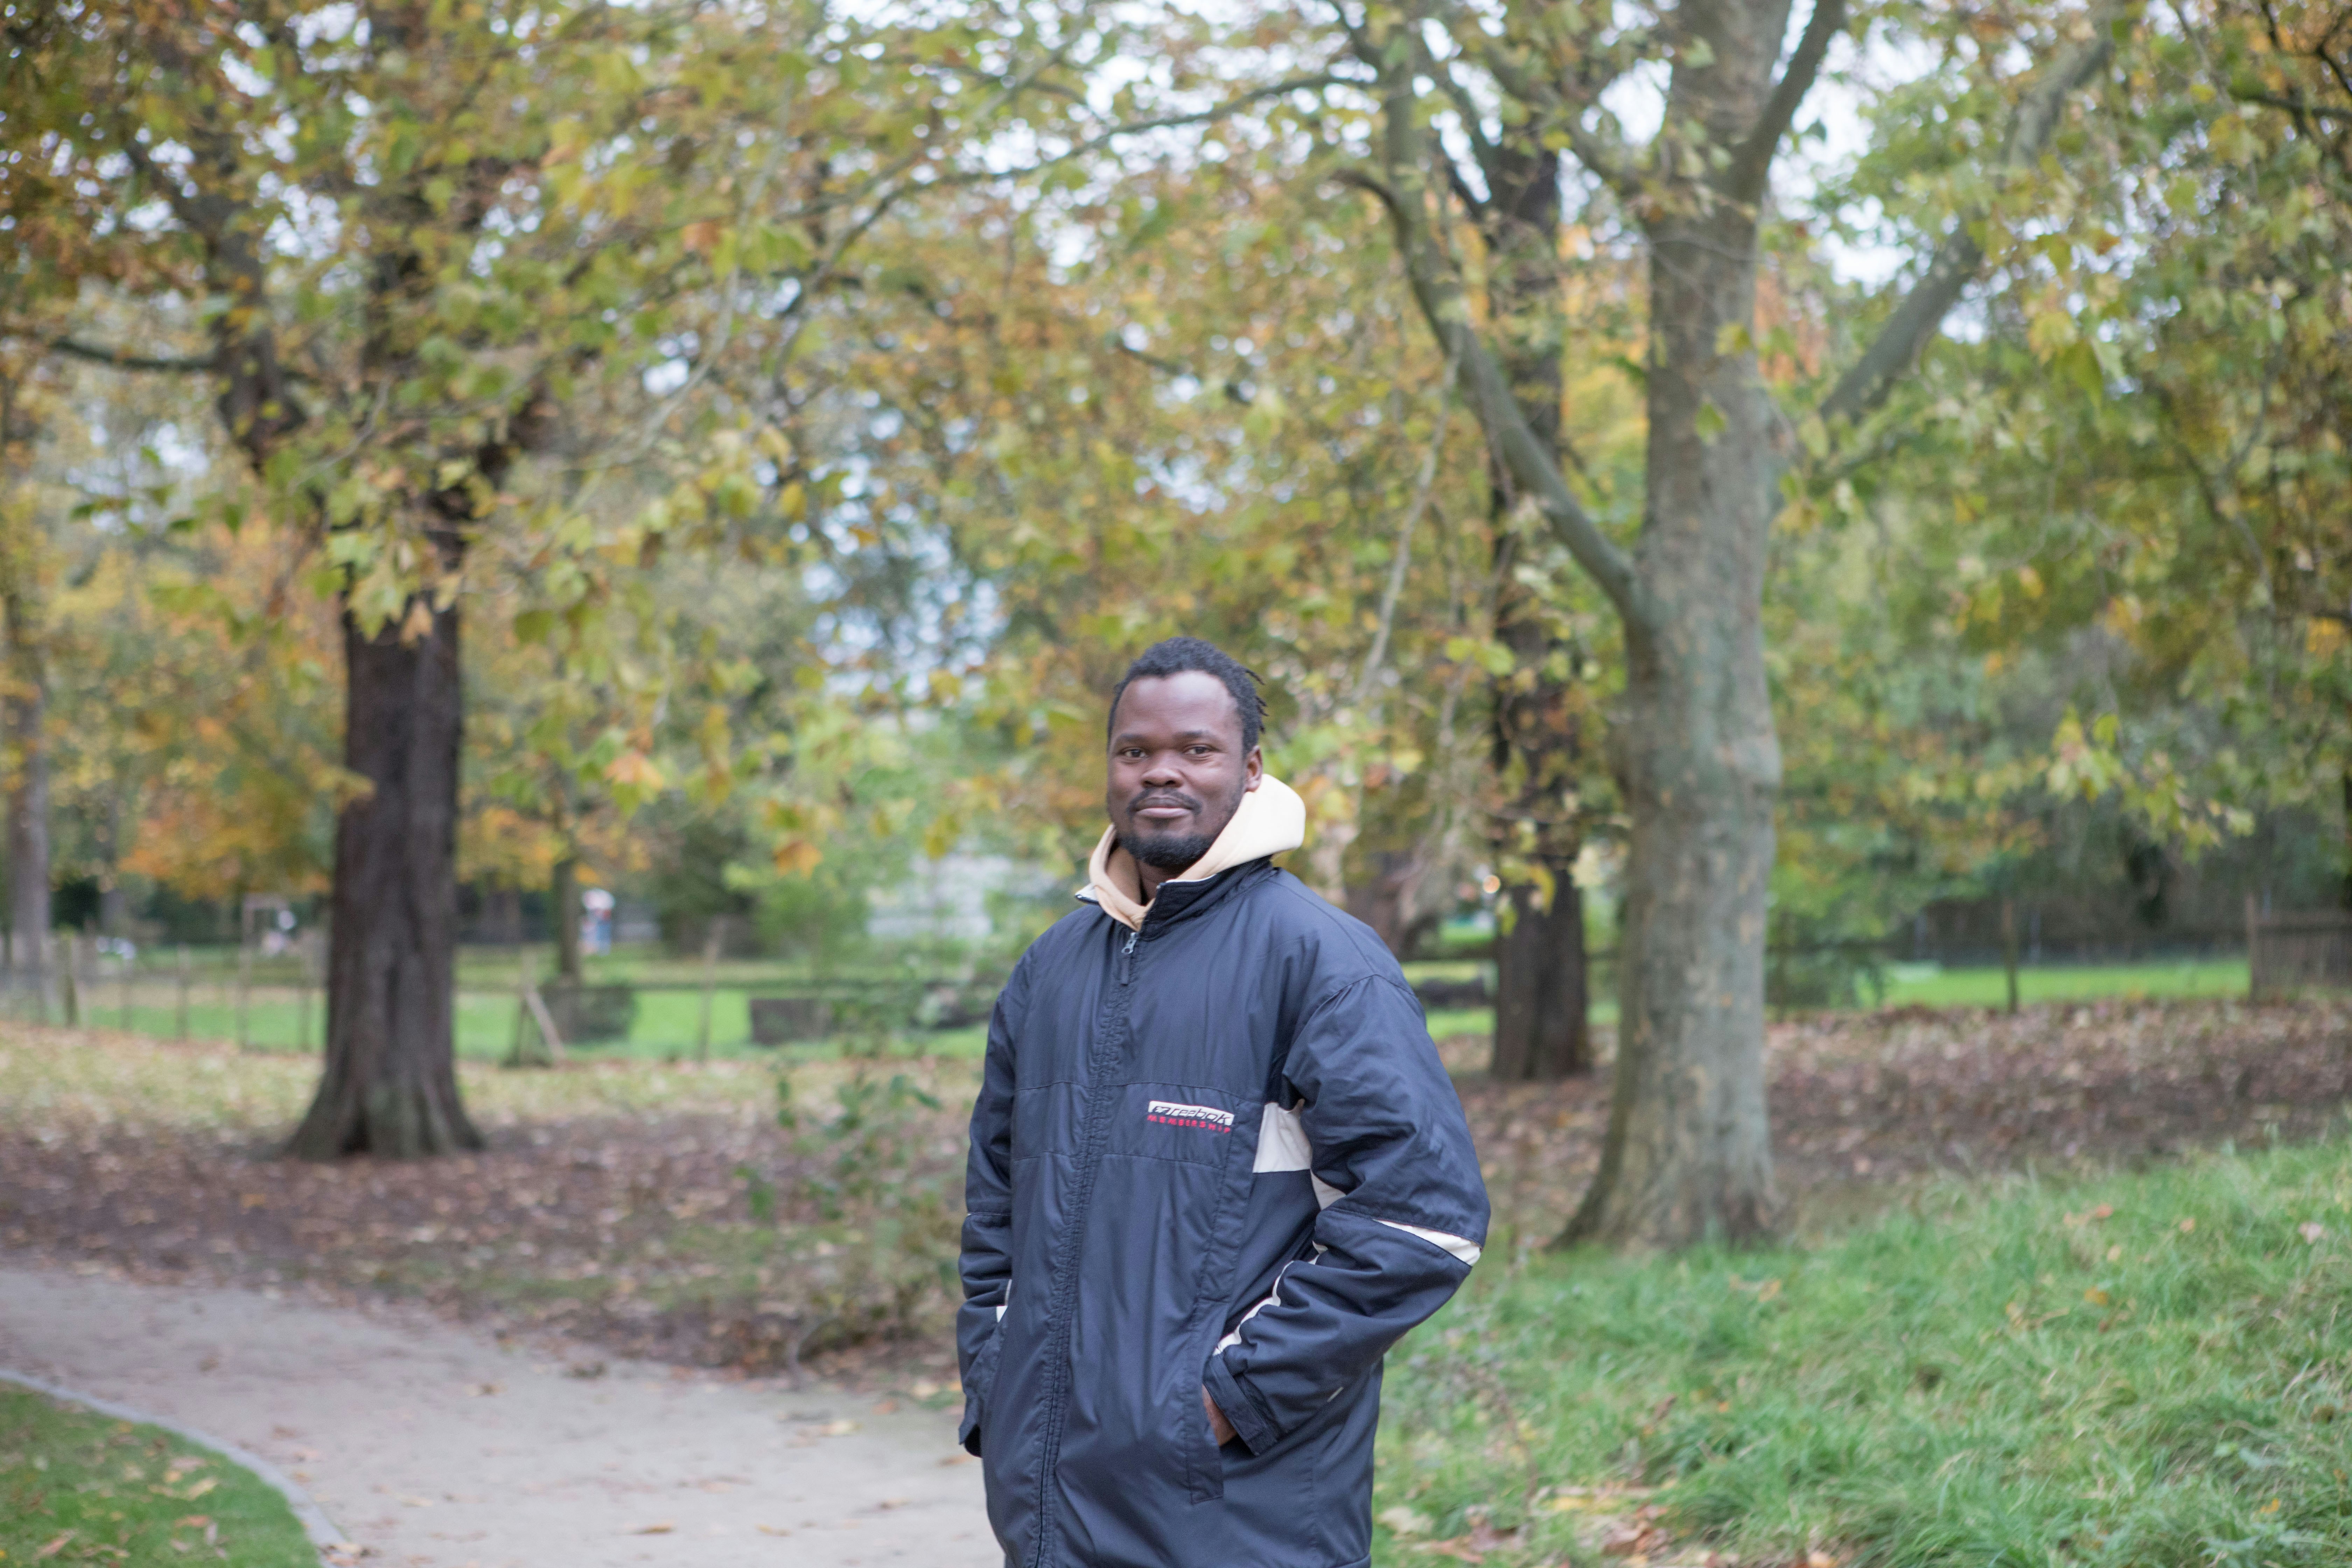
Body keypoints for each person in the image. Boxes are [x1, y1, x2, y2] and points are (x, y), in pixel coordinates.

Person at [956, 637, 1489, 1568]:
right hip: (1048, 1508)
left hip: (1236, 1517)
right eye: (1135, 751)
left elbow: (1422, 1221)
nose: (1161, 771)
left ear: (1248, 772)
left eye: (1196, 750)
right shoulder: (1050, 972)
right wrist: (996, 1379)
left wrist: (1225, 1401)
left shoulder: (1322, 963)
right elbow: (997, 1207)